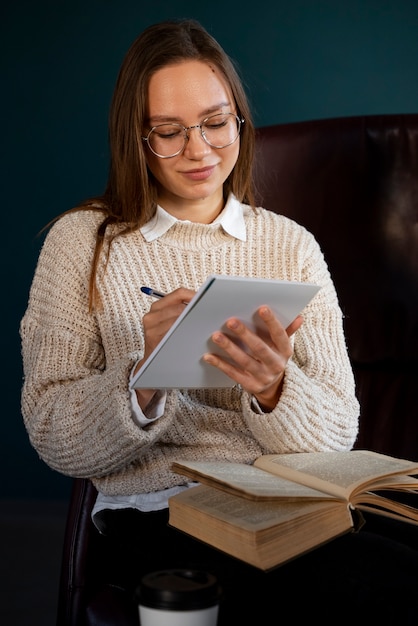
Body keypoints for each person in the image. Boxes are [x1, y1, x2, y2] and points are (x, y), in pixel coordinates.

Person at [20, 18, 418, 625]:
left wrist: (274, 389)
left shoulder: (290, 244)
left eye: (214, 122)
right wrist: (144, 378)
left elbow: (339, 427)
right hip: (162, 512)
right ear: (136, 137)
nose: (200, 150)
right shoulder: (83, 242)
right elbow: (51, 430)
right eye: (169, 132)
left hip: (288, 497)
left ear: (239, 119)